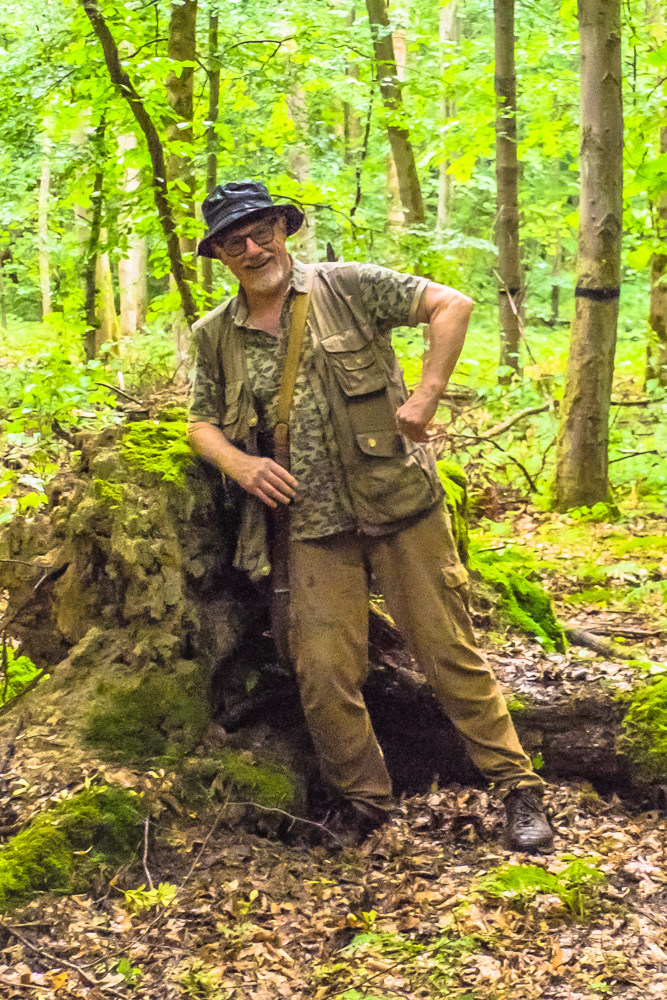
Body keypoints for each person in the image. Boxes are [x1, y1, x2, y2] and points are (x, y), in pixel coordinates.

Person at [187, 180, 554, 853]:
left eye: (261, 231)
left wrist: (428, 393)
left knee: (448, 652)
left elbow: (451, 304)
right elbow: (200, 423)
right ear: (218, 256)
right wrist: (240, 466)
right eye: (234, 242)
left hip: (400, 503)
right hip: (307, 524)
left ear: (283, 230)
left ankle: (517, 789)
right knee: (323, 671)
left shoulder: (347, 286)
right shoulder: (213, 336)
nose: (253, 248)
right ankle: (364, 803)